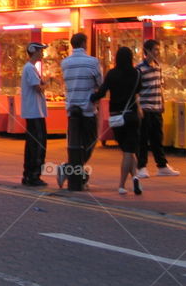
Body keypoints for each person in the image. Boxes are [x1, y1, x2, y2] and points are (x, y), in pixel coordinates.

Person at [91, 46, 144, 195]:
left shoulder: (112, 74)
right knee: (129, 150)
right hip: (132, 116)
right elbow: (140, 90)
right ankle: (134, 178)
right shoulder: (137, 74)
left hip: (116, 116)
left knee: (127, 150)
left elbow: (101, 92)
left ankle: (122, 184)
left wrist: (90, 98)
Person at [60, 33, 102, 191]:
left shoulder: (65, 63)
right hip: (88, 109)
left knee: (75, 144)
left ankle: (71, 171)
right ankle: (68, 168)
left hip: (71, 109)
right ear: (84, 43)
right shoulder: (92, 62)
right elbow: (100, 82)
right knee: (90, 141)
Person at [136, 39, 181, 178]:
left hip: (156, 108)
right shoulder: (139, 69)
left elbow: (160, 87)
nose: (158, 52)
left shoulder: (158, 67)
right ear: (147, 51)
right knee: (143, 139)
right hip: (145, 108)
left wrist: (162, 103)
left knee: (157, 138)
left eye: (158, 49)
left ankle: (162, 165)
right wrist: (138, 108)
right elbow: (135, 91)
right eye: (155, 49)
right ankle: (141, 166)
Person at [21, 42, 49, 187]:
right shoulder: (30, 68)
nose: (42, 53)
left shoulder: (31, 68)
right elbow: (38, 88)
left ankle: (29, 174)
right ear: (33, 51)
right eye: (40, 51)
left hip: (34, 111)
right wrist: (46, 84)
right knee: (38, 143)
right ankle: (33, 175)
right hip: (34, 111)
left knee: (33, 143)